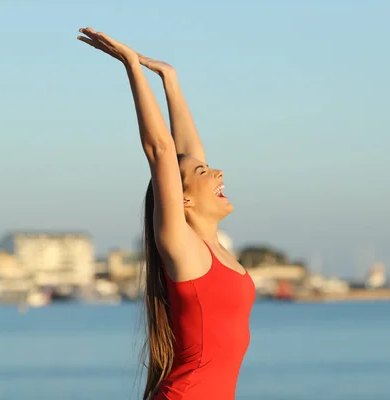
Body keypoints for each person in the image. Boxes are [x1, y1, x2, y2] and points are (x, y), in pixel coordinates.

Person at [77, 27, 256, 400]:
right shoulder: (182, 248)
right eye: (206, 174)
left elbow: (187, 155)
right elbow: (161, 151)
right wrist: (132, 66)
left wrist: (170, 79)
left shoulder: (214, 250)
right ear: (183, 200)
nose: (217, 172)